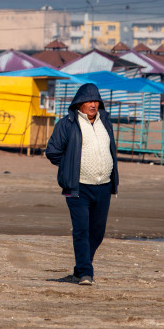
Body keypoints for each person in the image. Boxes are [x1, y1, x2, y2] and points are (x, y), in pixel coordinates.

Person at [46, 83, 118, 286]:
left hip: (103, 185)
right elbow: (52, 151)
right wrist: (70, 166)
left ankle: (79, 269)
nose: (93, 104)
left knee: (97, 232)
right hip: (78, 187)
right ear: (79, 103)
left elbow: (110, 149)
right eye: (88, 100)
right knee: (81, 230)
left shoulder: (105, 122)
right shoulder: (67, 123)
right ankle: (86, 273)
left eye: (96, 100)